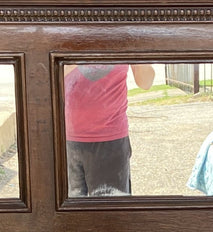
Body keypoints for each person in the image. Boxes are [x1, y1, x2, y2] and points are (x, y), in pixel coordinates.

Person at [63, 63, 155, 196]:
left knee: (111, 213)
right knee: (67, 213)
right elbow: (44, 78)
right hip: (65, 139)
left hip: (111, 140)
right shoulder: (68, 42)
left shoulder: (123, 42)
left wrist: (135, 51)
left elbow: (146, 83)